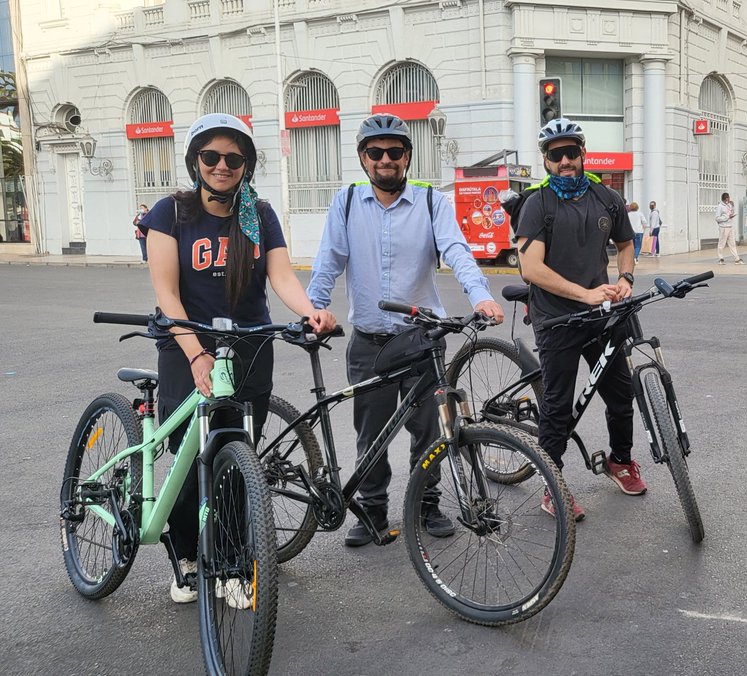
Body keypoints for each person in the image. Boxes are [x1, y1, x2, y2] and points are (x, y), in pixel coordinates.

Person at [143, 114, 336, 603]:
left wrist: (312, 312)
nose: (222, 166)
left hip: (248, 345)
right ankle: (187, 553)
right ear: (196, 161)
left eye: (233, 158)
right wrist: (195, 355)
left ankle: (230, 563)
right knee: (189, 460)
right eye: (212, 157)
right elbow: (167, 293)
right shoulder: (170, 213)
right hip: (186, 343)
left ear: (246, 165)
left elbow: (282, 278)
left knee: (236, 458)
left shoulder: (259, 214)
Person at [307, 113, 504, 546]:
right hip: (369, 342)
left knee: (429, 430)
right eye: (375, 152)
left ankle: (426, 504)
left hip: (420, 341)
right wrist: (315, 308)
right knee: (371, 434)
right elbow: (328, 263)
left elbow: (458, 251)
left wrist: (480, 296)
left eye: (394, 152)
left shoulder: (432, 203)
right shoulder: (345, 203)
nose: (385, 160)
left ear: (407, 157)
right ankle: (373, 512)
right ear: (363, 158)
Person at [514, 117, 644, 520]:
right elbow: (530, 269)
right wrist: (585, 294)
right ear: (546, 160)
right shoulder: (537, 204)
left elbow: (625, 244)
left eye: (572, 152)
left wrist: (625, 277)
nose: (566, 160)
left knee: (621, 395)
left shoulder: (607, 198)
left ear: (583, 153)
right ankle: (553, 487)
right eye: (557, 155)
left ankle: (619, 461)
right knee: (557, 408)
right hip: (556, 319)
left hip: (600, 315)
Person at [715, 192, 744, 264]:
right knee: (722, 243)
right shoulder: (720, 206)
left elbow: (731, 212)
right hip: (723, 227)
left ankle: (736, 258)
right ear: (724, 199)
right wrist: (726, 217)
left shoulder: (729, 205)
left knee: (732, 243)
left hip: (730, 226)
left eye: (729, 198)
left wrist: (732, 207)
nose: (728, 200)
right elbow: (717, 218)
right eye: (727, 199)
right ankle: (720, 258)